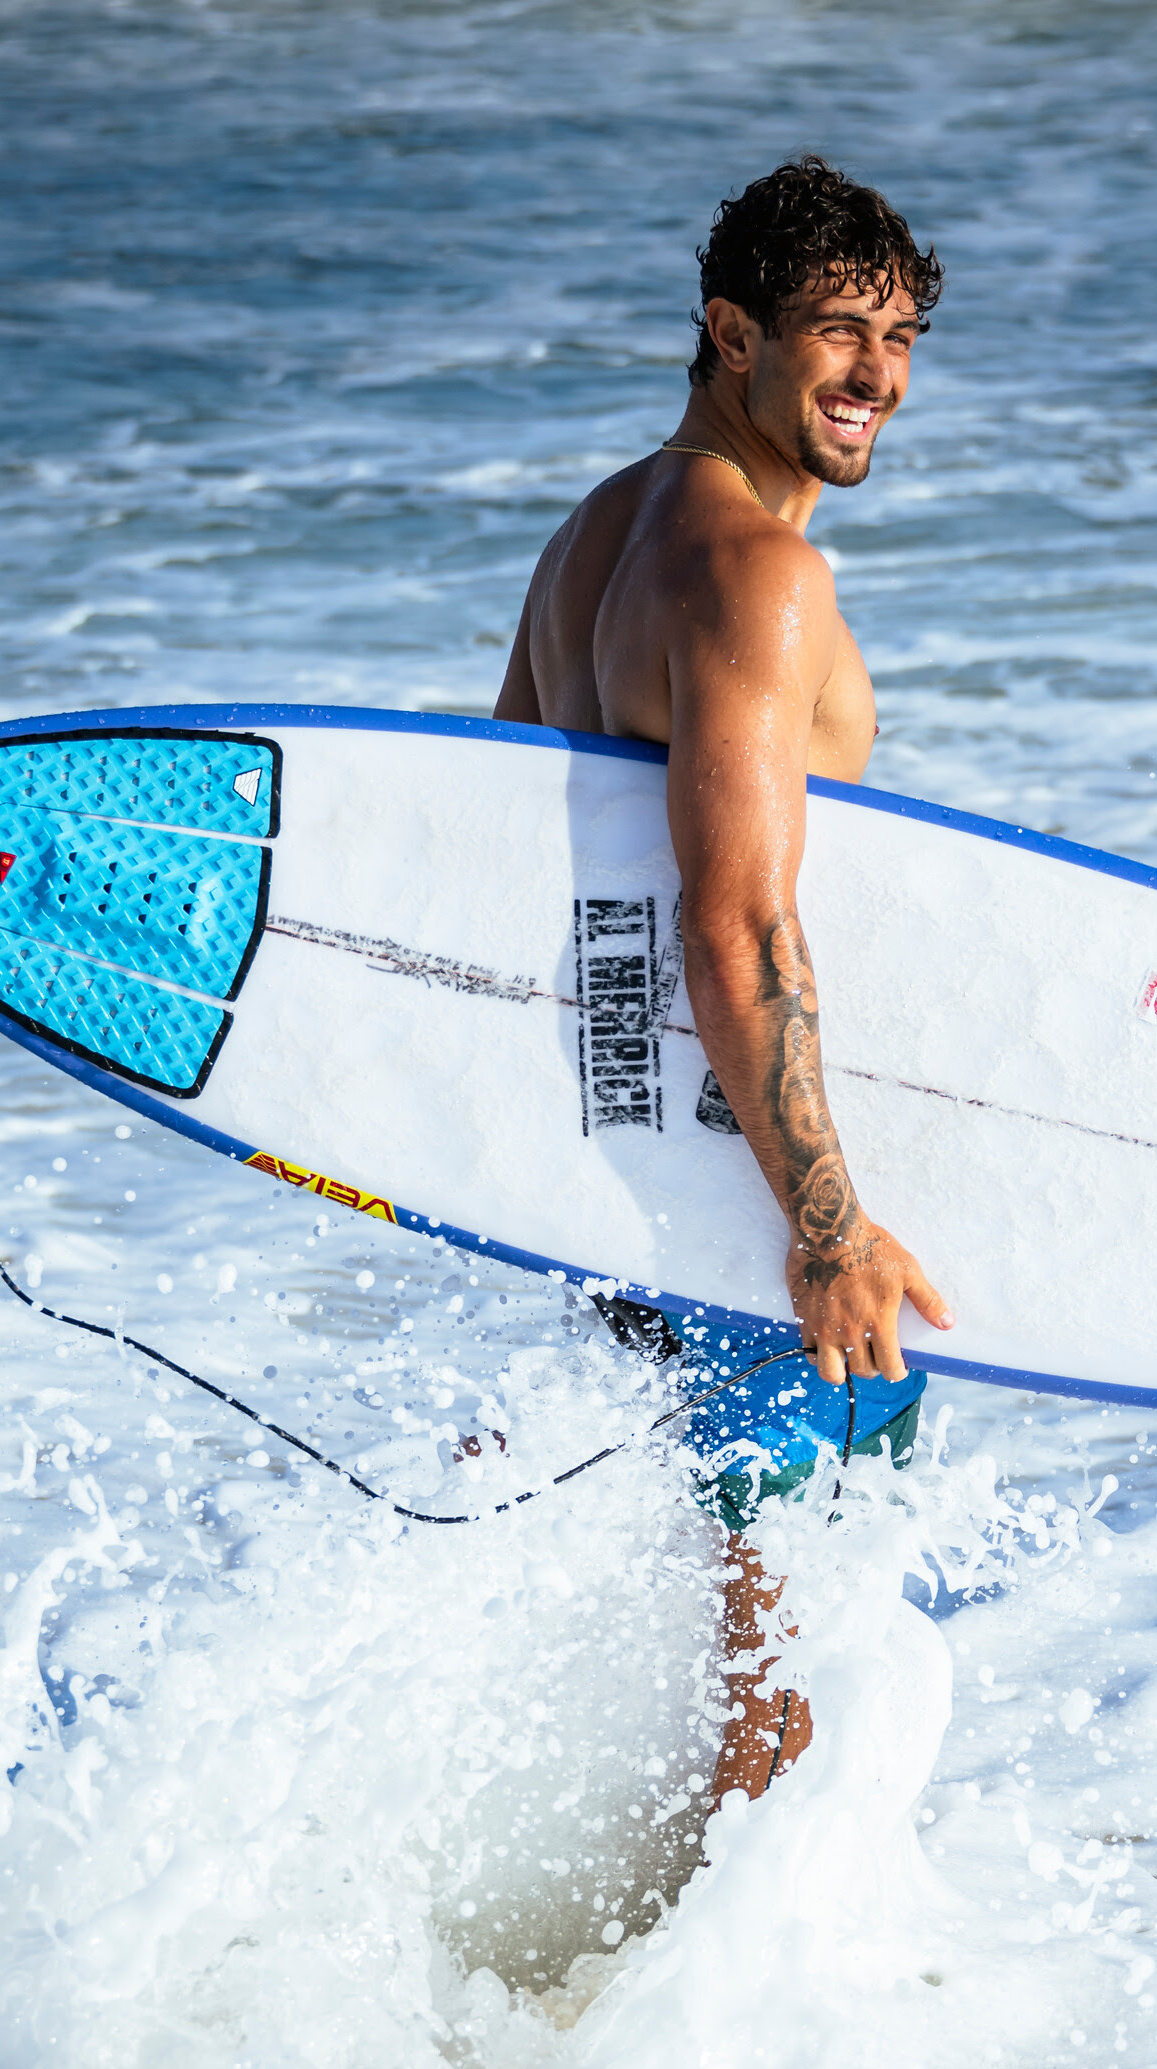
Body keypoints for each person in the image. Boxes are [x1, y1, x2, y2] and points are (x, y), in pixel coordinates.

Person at [493, 157, 954, 1805]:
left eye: (899, 337)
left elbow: (503, 864)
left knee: (749, 1676)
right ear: (730, 331)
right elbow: (737, 930)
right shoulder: (759, 574)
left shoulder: (592, 539)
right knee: (788, 1700)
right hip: (750, 1189)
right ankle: (745, 2039)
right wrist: (826, 1230)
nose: (877, 378)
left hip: (639, 1175)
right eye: (838, 332)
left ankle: (636, 2015)